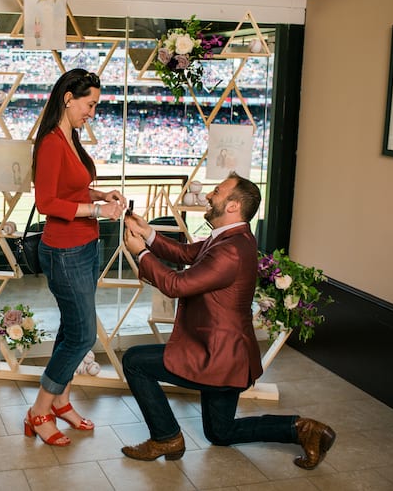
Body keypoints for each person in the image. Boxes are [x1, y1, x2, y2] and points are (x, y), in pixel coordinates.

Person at [120, 172, 336, 469]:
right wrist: (148, 234)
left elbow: (176, 285)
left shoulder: (230, 250)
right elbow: (184, 253)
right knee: (220, 433)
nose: (209, 195)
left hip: (216, 357)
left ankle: (166, 437)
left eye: (217, 191)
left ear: (233, 205)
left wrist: (141, 253)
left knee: (134, 361)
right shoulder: (230, 238)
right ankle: (304, 430)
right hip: (228, 355)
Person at [25, 68, 126, 446]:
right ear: (68, 98)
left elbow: (76, 189)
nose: (93, 112)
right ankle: (39, 410)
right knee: (83, 333)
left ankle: (62, 400)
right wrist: (96, 212)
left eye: (96, 105)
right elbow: (46, 202)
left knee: (71, 328)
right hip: (64, 250)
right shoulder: (51, 143)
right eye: (90, 103)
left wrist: (101, 196)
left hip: (85, 246)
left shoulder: (73, 139)